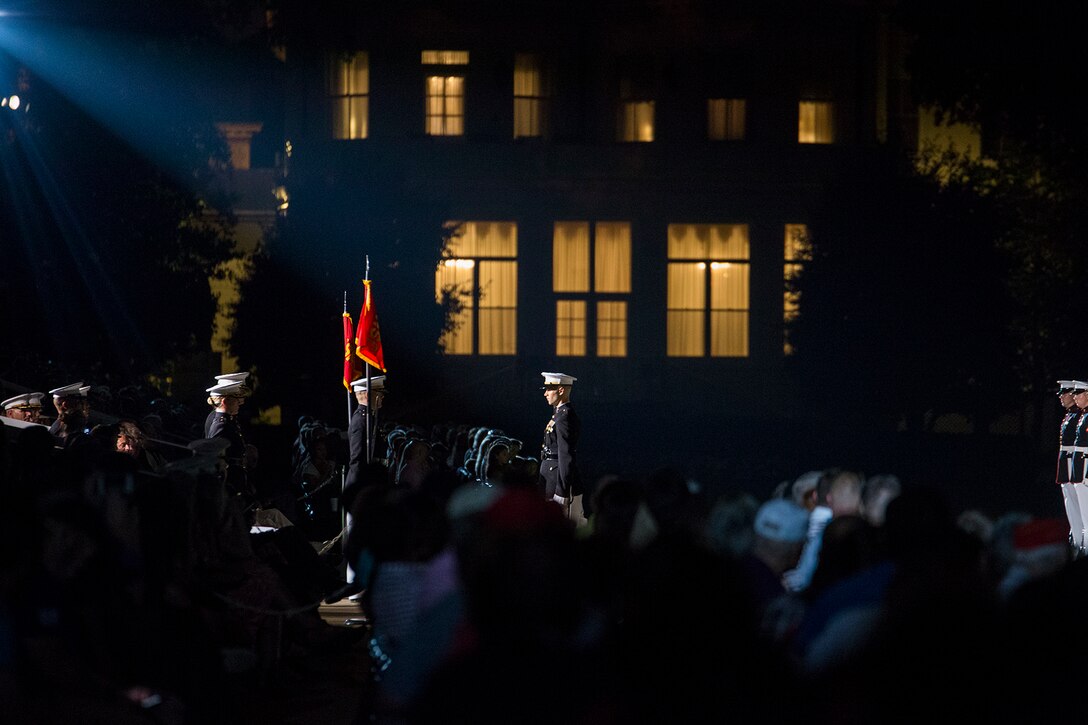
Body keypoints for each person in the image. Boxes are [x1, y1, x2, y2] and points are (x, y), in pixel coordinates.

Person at [204, 377, 255, 504]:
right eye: (237, 399)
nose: (241, 402)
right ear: (226, 401)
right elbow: (215, 459)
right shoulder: (221, 425)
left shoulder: (226, 421)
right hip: (230, 483)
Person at [538, 371, 582, 519]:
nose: (545, 394)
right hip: (551, 475)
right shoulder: (559, 413)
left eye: (549, 389)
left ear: (561, 390)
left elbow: (565, 453)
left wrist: (562, 490)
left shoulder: (565, 416)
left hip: (557, 477)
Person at [344, 374, 386, 492]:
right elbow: (357, 458)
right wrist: (359, 488)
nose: (382, 396)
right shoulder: (361, 420)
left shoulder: (369, 418)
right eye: (379, 392)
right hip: (361, 484)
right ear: (368, 394)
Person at [1056, 380, 1083, 551]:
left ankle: (1081, 538)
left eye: (1065, 394)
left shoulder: (1079, 416)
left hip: (1077, 461)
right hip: (1068, 460)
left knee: (1078, 501)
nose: (1062, 397)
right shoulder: (1070, 415)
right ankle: (1076, 535)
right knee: (1070, 499)